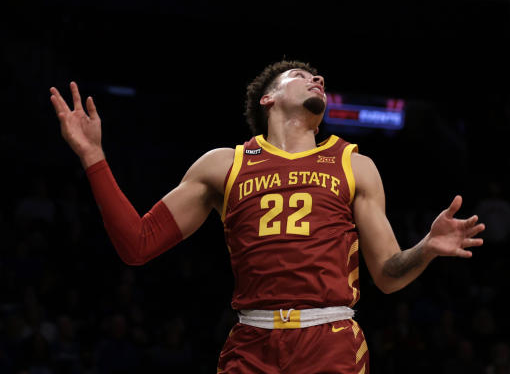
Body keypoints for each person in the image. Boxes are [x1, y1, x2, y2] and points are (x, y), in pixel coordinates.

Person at [49, 60, 484, 373]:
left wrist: (426, 248)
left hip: (328, 340)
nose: (317, 78)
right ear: (269, 98)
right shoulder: (223, 165)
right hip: (251, 345)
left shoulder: (354, 165)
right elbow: (137, 245)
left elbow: (387, 275)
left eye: (319, 77)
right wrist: (93, 157)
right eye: (301, 75)